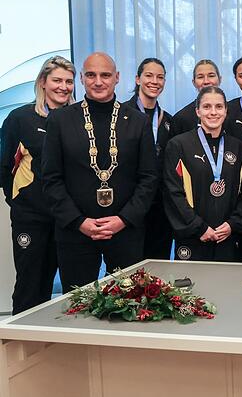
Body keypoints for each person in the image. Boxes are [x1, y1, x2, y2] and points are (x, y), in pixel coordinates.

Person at [42, 52, 157, 292]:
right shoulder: (60, 120)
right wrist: (79, 221)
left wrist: (123, 219)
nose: (98, 81)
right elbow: (52, 179)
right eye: (91, 75)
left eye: (105, 75)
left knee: (130, 303)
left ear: (117, 78)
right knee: (76, 306)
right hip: (76, 231)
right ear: (82, 79)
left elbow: (148, 178)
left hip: (125, 231)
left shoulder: (138, 121)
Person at [1, 56, 74, 314]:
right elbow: (5, 167)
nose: (63, 87)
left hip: (68, 219)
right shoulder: (19, 119)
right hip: (31, 219)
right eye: (57, 80)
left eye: (68, 81)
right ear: (43, 82)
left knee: (72, 289)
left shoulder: (77, 122)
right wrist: (22, 202)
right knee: (31, 285)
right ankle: (22, 345)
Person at [163, 86, 242, 261]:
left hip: (227, 236)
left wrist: (233, 224)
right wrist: (199, 227)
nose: (213, 112)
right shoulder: (178, 145)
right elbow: (173, 193)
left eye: (219, 107)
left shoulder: (237, 147)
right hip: (193, 237)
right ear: (197, 111)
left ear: (226, 111)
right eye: (207, 107)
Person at [127, 58, 173, 259]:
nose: (155, 81)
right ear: (138, 79)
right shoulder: (120, 115)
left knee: (158, 266)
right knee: (128, 270)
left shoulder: (169, 121)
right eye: (149, 75)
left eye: (160, 77)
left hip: (160, 208)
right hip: (129, 205)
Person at [170, 59, 222, 136]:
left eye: (211, 76)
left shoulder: (232, 114)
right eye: (200, 77)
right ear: (194, 82)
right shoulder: (181, 118)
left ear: (220, 79)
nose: (206, 81)